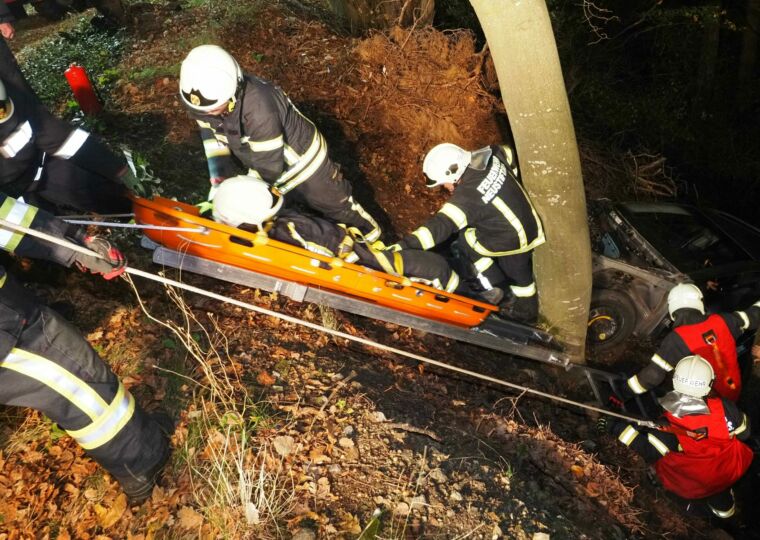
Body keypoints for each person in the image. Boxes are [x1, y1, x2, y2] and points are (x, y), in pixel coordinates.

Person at [0, 191, 171, 503]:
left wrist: (75, 244)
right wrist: (76, 245)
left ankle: (139, 435)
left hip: (9, 309)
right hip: (7, 331)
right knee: (75, 379)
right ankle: (141, 460)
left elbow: (7, 217)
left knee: (72, 370)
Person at [179, 44, 382, 243]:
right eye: (205, 110)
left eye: (215, 109)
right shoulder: (202, 100)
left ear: (233, 91)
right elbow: (213, 138)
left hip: (305, 165)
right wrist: (219, 181)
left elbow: (269, 166)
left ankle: (377, 245)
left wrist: (237, 199)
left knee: (338, 207)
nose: (208, 113)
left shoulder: (260, 109)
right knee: (295, 217)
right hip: (266, 164)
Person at [211, 175, 459, 292]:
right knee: (436, 267)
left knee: (432, 265)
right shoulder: (285, 234)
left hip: (355, 248)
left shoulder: (276, 224)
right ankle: (465, 292)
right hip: (358, 256)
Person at [392, 143, 545, 323]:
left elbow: (440, 226)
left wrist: (403, 247)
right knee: (519, 273)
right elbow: (509, 155)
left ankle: (496, 290)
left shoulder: (467, 196)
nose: (445, 187)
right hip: (529, 223)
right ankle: (528, 312)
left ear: (453, 173)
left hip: (511, 238)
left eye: (444, 183)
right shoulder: (492, 155)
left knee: (465, 243)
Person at [598, 355, 753, 520]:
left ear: (675, 380)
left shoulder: (669, 425)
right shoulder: (725, 408)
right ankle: (727, 516)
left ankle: (702, 516)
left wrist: (614, 427)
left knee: (692, 482)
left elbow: (649, 451)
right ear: (709, 384)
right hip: (729, 469)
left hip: (695, 482)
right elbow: (745, 433)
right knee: (722, 498)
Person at [0, 77, 134, 214]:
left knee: (112, 199)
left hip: (42, 164)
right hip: (11, 193)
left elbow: (53, 133)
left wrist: (116, 169)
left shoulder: (10, 90)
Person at [620, 283, 760, 403]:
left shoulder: (676, 340)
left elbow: (652, 376)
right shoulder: (724, 320)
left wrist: (623, 392)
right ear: (699, 303)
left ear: (673, 308)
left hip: (707, 400)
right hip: (734, 390)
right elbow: (755, 315)